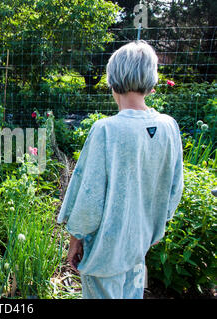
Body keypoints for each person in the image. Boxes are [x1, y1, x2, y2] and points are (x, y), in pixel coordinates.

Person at [57, 41, 184, 299]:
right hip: (139, 247)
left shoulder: (106, 130)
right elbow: (174, 188)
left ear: (112, 81)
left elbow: (89, 196)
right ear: (152, 82)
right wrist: (157, 226)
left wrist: (75, 238)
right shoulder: (170, 127)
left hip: (105, 254)